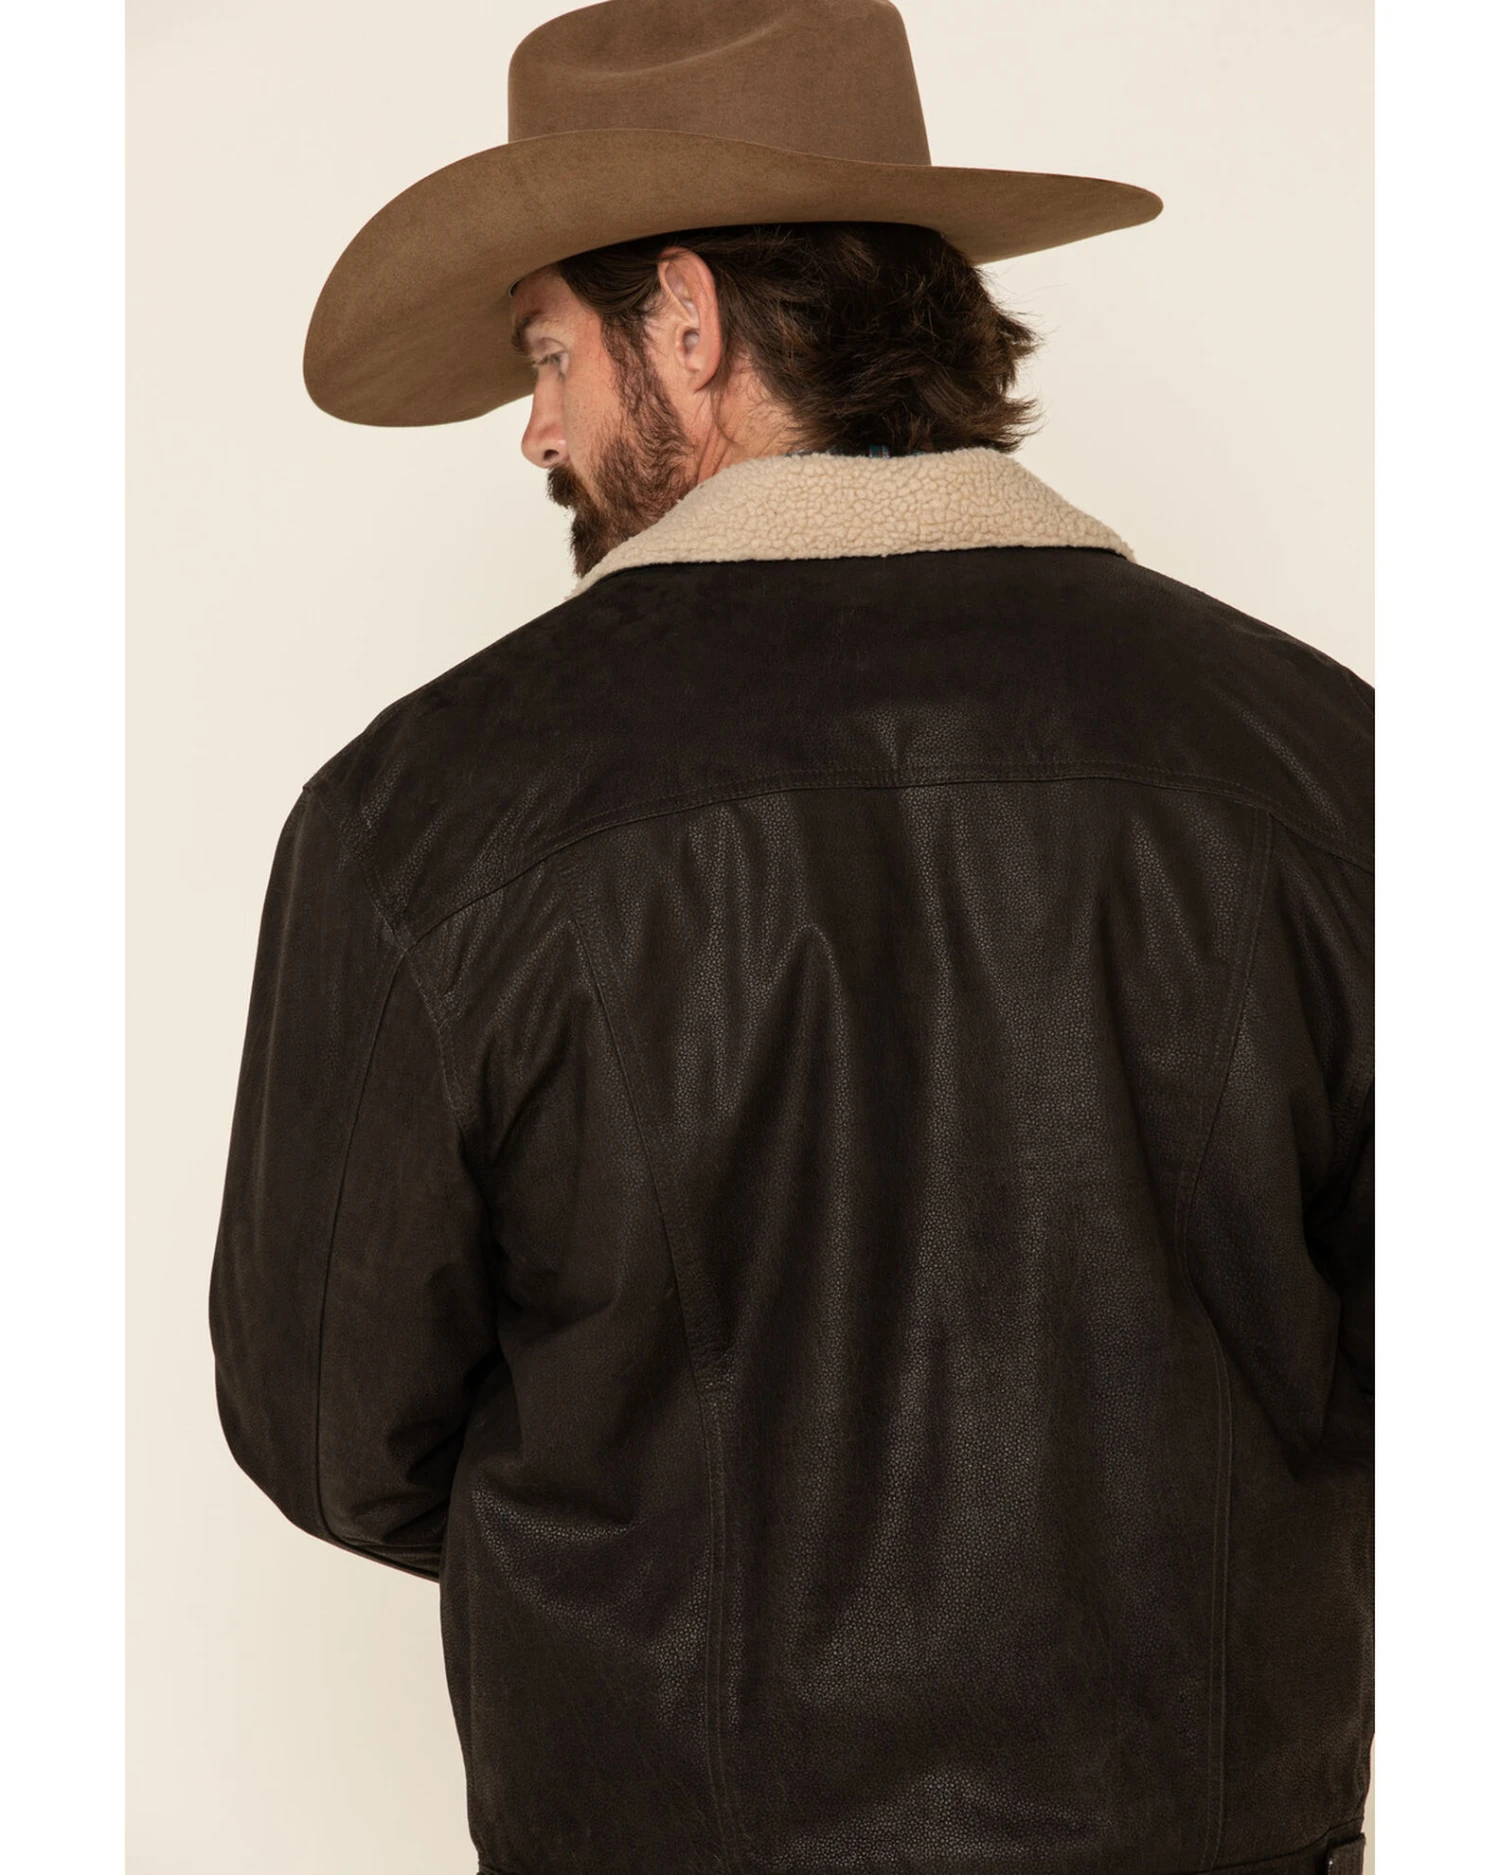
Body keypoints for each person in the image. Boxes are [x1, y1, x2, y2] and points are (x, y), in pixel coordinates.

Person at [207, 4, 1373, 1873]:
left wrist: (649, 1532)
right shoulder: (1328, 764)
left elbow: (336, 1435)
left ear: (686, 320)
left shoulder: (420, 813)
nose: (537, 428)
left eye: (547, 353)